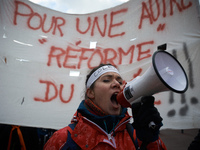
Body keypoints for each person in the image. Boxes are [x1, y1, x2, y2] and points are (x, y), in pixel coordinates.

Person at [43, 64, 167, 150]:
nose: (116, 84)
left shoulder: (135, 135)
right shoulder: (63, 139)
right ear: (90, 93)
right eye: (107, 80)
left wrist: (150, 141)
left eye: (119, 81)